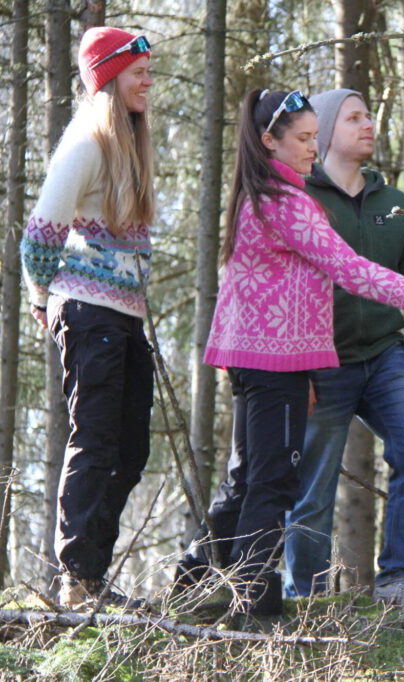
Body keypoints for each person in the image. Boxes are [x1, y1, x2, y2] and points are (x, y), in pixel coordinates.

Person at [174, 89, 404, 617]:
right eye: (302, 138)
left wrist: (229, 352)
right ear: (268, 141)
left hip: (256, 358)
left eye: (314, 137)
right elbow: (350, 269)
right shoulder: (287, 202)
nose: (312, 149)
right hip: (278, 363)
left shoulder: (257, 195)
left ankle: (196, 583)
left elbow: (241, 288)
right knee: (274, 482)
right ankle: (256, 600)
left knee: (246, 478)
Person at [282, 89, 404, 609]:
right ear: (325, 132)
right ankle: (304, 598)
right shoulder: (300, 198)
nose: (367, 124)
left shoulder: (395, 204)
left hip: (384, 354)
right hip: (319, 361)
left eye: (369, 115)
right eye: (354, 118)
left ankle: (396, 580)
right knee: (313, 490)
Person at [20, 27, 155, 609]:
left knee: (131, 447)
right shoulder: (87, 144)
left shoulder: (133, 146)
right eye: (137, 72)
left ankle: (94, 573)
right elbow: (40, 232)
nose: (148, 81)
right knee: (96, 441)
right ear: (109, 79)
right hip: (86, 311)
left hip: (124, 316)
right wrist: (41, 297)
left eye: (149, 71)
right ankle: (76, 581)